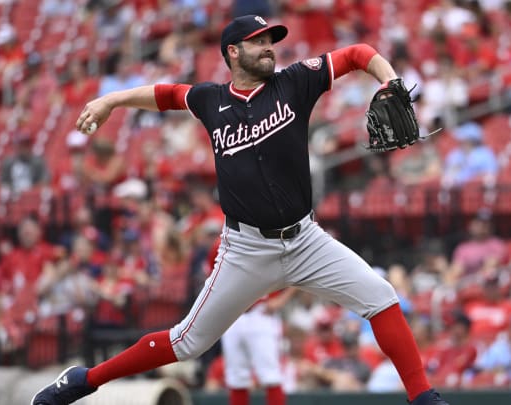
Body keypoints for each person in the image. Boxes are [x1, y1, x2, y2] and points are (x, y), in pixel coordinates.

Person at [32, 15, 451, 405]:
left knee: (381, 297)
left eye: (271, 41)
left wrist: (390, 79)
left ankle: (424, 398)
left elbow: (359, 53)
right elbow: (164, 95)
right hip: (247, 249)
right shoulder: (210, 100)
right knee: (187, 343)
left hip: (306, 240)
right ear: (233, 52)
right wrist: (112, 100)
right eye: (259, 42)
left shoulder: (295, 83)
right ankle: (83, 381)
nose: (269, 47)